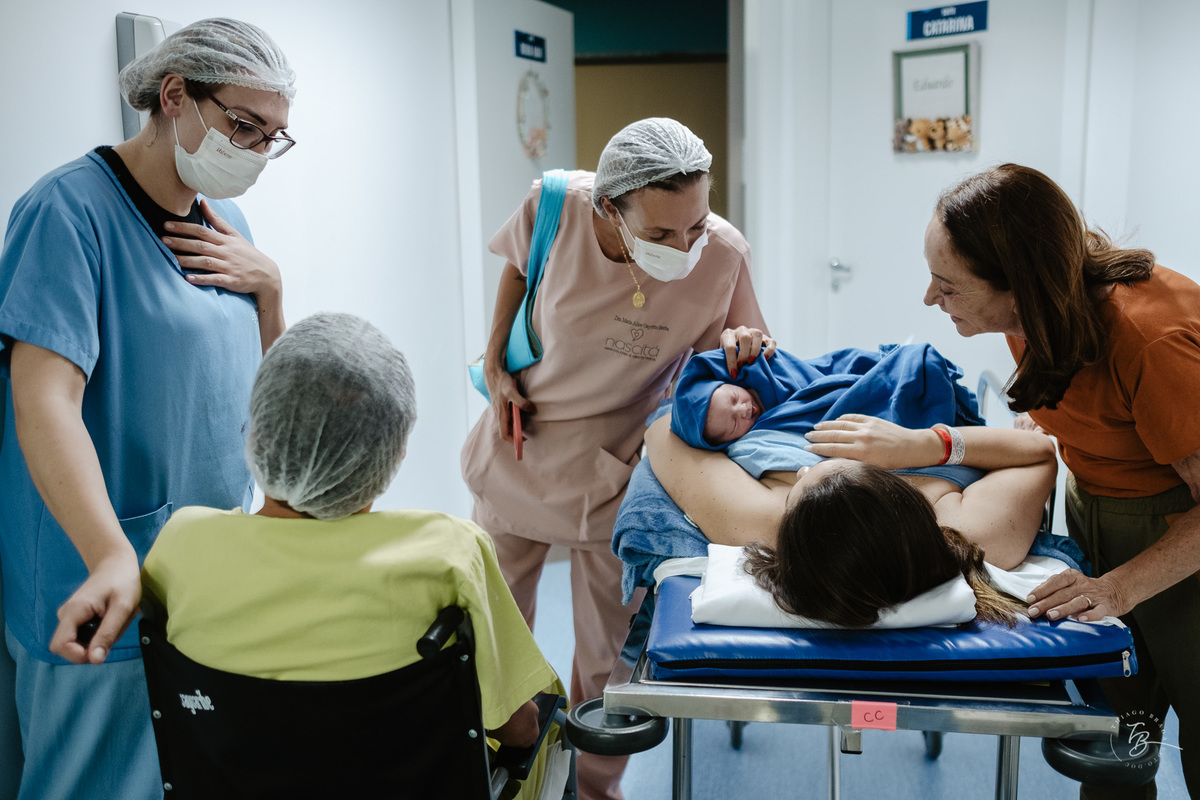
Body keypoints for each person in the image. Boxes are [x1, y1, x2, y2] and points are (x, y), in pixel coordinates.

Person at [0, 18, 295, 799]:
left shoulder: (231, 229)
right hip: (97, 571)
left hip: (197, 573)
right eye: (244, 126)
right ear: (175, 97)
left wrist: (270, 294)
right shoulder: (69, 213)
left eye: (273, 137)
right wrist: (109, 552)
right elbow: (44, 399)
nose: (258, 152)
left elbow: (260, 391)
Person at [461, 117, 772, 800]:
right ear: (608, 206)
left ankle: (595, 786)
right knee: (491, 626)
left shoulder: (724, 253)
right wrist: (494, 358)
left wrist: (742, 351)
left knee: (607, 653)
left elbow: (744, 370)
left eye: (696, 224)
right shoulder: (557, 206)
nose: (685, 247)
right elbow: (519, 268)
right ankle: (503, 761)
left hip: (620, 467)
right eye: (661, 234)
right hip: (525, 438)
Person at [142, 313, 561, 799]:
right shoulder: (446, 555)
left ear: (256, 431)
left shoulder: (182, 545)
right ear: (390, 456)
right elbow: (521, 730)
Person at [923, 162, 1200, 799]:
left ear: (1016, 284)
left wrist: (1121, 588)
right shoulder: (1036, 315)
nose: (931, 299)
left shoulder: (1149, 342)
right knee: (1123, 739)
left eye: (948, 285)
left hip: (1179, 550)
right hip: (1097, 519)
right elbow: (1061, 412)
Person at [646, 410, 1058, 626]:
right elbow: (1037, 454)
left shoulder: (761, 519)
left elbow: (663, 429)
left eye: (798, 485)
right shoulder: (972, 530)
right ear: (895, 482)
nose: (803, 469)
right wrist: (924, 445)